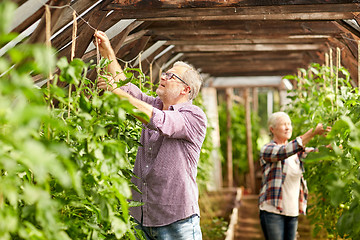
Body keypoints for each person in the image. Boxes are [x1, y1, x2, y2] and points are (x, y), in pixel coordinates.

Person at [94, 31, 206, 240]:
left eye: (171, 76)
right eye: (165, 73)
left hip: (177, 221)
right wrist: (107, 51)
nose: (163, 77)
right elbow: (126, 88)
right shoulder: (155, 105)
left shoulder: (194, 116)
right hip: (143, 217)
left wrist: (116, 93)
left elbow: (160, 121)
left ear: (185, 89)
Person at [259, 112, 331, 240]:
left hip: (292, 211)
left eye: (289, 124)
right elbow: (284, 151)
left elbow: (316, 153)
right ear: (272, 129)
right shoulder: (268, 149)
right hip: (273, 211)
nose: (288, 127)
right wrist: (312, 132)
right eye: (283, 124)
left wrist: (332, 147)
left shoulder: (298, 153)